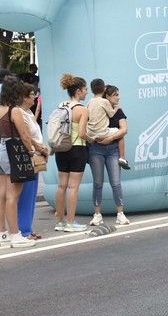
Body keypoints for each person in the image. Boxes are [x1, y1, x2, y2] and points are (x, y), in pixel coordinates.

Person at [0, 79, 45, 248]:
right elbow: (25, 136)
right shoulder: (14, 110)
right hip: (14, 151)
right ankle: (16, 235)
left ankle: (2, 233)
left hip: (1, 149)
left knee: (1, 195)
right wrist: (32, 152)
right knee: (13, 196)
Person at [88, 84, 130, 226]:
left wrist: (110, 138)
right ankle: (97, 214)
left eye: (118, 94)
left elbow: (124, 130)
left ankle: (120, 214)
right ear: (106, 96)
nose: (118, 97)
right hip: (96, 149)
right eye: (115, 95)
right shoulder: (94, 108)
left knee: (116, 183)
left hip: (112, 150)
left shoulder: (118, 111)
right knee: (98, 183)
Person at [53, 73, 89, 232]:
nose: (86, 92)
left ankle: (60, 221)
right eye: (85, 89)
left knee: (61, 185)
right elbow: (82, 133)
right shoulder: (82, 109)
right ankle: (71, 222)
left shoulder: (62, 105)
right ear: (79, 91)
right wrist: (92, 139)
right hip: (77, 148)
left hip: (61, 148)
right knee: (73, 187)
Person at [16, 84, 46, 242]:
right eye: (32, 95)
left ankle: (27, 227)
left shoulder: (27, 112)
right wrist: (38, 148)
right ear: (24, 97)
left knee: (31, 194)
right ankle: (23, 230)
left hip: (36, 155)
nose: (34, 97)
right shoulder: (19, 112)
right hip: (29, 156)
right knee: (26, 195)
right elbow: (25, 136)